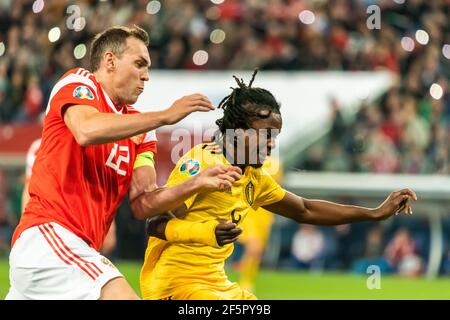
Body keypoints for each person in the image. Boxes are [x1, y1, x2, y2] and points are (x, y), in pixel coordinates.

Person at [6, 25, 241, 300]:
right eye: (139, 64)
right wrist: (165, 115)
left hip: (77, 250)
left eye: (148, 67)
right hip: (49, 237)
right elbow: (86, 130)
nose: (146, 76)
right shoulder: (79, 83)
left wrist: (196, 184)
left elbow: (144, 203)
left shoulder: (141, 130)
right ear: (110, 61)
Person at [140, 69, 417, 300]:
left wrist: (374, 213)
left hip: (216, 284)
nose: (272, 143)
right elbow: (155, 223)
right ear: (238, 132)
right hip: (174, 285)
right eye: (266, 135)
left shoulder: (254, 178)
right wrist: (204, 232)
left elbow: (305, 210)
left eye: (276, 136)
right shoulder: (201, 161)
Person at [236, 156, 282, 292]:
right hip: (248, 212)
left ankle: (248, 282)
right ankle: (245, 283)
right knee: (253, 247)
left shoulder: (276, 164)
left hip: (264, 215)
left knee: (257, 252)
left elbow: (276, 189)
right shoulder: (246, 160)